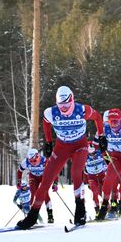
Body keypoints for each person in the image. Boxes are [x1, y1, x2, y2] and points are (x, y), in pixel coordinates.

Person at [17, 86, 105, 229]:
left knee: (76, 173)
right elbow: (45, 122)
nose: (63, 108)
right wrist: (48, 141)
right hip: (62, 147)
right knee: (46, 179)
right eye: (61, 105)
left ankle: (80, 211)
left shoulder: (82, 110)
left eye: (66, 104)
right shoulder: (51, 112)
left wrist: (101, 136)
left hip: (79, 146)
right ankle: (32, 216)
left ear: (72, 100)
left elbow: (98, 117)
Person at [17, 148, 57, 223]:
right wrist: (19, 181)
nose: (32, 163)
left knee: (44, 194)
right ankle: (31, 216)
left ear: (38, 156)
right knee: (33, 193)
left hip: (43, 177)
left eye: (34, 161)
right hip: (33, 177)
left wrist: (55, 183)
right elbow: (19, 171)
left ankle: (50, 215)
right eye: (30, 161)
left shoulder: (44, 161)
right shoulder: (25, 162)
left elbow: (53, 170)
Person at [84, 142, 108, 214]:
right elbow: (83, 171)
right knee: (95, 192)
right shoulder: (84, 156)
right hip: (92, 177)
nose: (91, 153)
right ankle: (97, 211)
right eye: (89, 151)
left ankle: (107, 207)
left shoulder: (100, 153)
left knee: (105, 192)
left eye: (92, 150)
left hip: (102, 175)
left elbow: (107, 159)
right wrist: (86, 181)